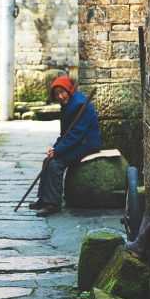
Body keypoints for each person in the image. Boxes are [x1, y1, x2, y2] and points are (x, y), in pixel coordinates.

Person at [30, 76, 101, 217]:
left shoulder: (80, 105)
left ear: (69, 90)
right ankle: (44, 199)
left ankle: (53, 203)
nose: (60, 96)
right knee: (48, 160)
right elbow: (65, 133)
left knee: (56, 163)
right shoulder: (68, 104)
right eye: (56, 94)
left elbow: (76, 134)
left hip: (86, 144)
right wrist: (55, 148)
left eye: (62, 92)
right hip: (76, 141)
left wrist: (58, 152)